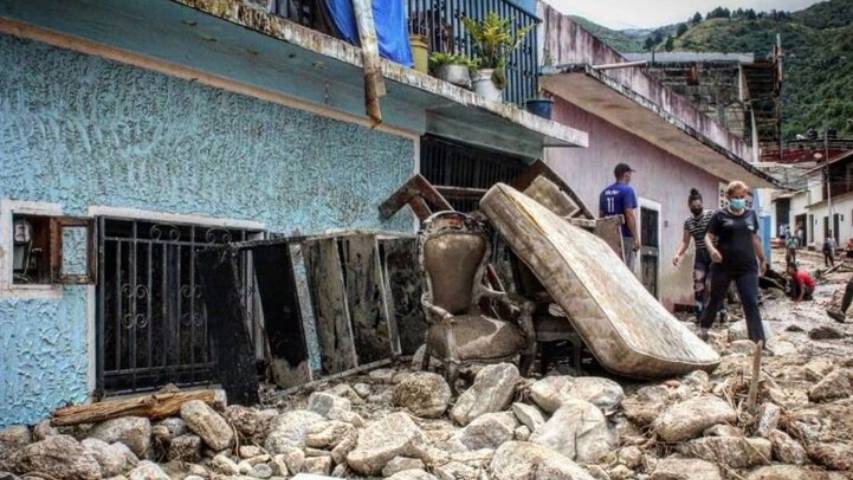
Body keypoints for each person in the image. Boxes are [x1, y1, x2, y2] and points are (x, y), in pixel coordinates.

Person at [698, 180, 768, 344]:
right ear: (728, 197)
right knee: (716, 298)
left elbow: (755, 239)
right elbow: (708, 237)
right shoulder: (719, 216)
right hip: (723, 266)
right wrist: (712, 250)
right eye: (736, 197)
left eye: (742, 196)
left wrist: (762, 259)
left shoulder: (751, 215)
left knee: (751, 301)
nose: (739, 200)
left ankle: (759, 343)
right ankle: (703, 329)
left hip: (747, 267)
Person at [673, 188, 715, 321]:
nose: (697, 208)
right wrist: (678, 254)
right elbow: (685, 241)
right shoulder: (688, 222)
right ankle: (699, 311)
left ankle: (720, 309)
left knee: (711, 283)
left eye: (699, 206)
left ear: (702, 204)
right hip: (700, 255)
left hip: (713, 253)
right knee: (698, 282)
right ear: (689, 207)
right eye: (694, 206)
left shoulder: (710, 215)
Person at [600, 163, 640, 271]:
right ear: (625, 174)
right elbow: (629, 214)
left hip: (608, 237)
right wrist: (636, 237)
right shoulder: (627, 191)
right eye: (630, 174)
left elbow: (601, 216)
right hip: (624, 237)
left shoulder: (604, 193)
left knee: (610, 268)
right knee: (626, 269)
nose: (630, 177)